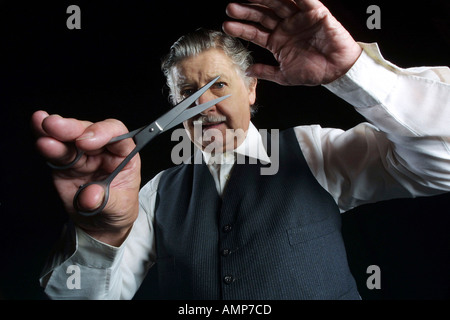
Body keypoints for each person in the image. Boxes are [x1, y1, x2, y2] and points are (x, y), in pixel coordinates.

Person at [33, 0, 450, 299]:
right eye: (185, 93)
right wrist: (101, 233)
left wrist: (352, 73)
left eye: (218, 85)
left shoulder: (314, 151)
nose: (200, 104)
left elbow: (442, 161)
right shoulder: (153, 194)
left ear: (251, 89)